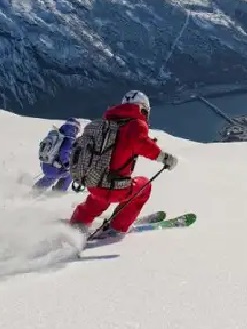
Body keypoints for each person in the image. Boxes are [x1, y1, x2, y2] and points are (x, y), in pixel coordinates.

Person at [69, 90, 178, 238]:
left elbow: (121, 144)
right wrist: (165, 158)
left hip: (94, 180)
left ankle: (78, 221)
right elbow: (140, 143)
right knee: (144, 186)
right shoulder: (136, 124)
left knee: (97, 199)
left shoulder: (109, 123)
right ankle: (117, 227)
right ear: (143, 108)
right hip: (115, 188)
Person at [34, 118, 81, 192]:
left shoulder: (59, 135)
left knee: (50, 179)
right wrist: (67, 165)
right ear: (75, 129)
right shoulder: (69, 140)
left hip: (46, 164)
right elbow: (64, 152)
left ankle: (36, 189)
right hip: (54, 168)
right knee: (71, 173)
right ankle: (59, 191)